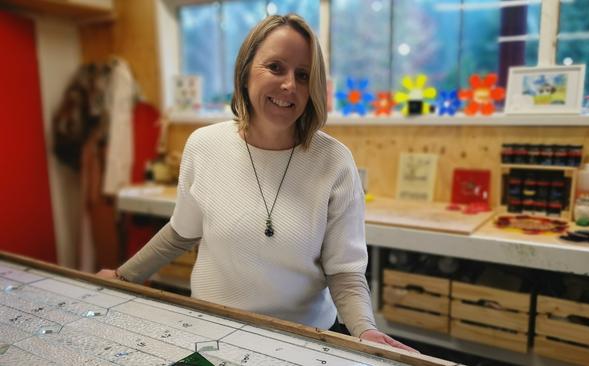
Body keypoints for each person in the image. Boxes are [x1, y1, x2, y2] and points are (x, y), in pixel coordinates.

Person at [98, 13, 415, 353]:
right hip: (210, 329)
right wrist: (124, 276)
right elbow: (181, 232)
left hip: (301, 341)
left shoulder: (334, 162)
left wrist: (365, 330)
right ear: (246, 70)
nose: (290, 85)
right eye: (276, 67)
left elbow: (344, 273)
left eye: (304, 75)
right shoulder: (204, 145)